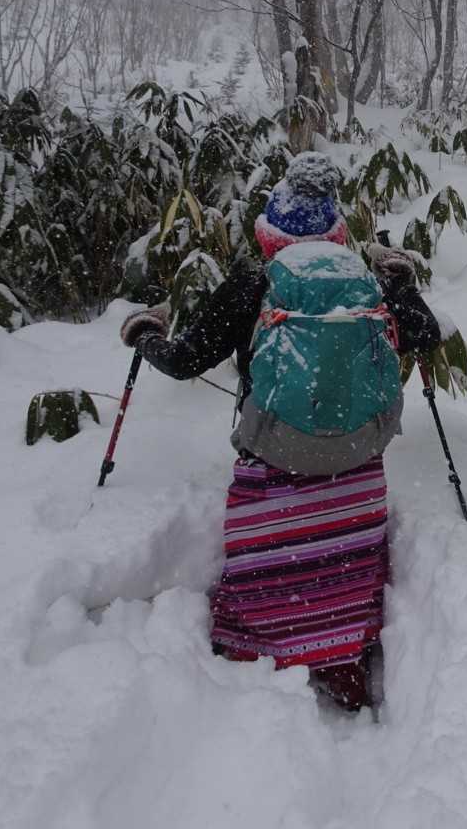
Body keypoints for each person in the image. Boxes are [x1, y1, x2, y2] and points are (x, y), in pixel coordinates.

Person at [118, 152, 440, 713]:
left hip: (274, 460)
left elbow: (183, 361)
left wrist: (144, 334)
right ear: (337, 232)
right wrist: (401, 283)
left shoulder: (252, 285)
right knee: (345, 561)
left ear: (268, 235)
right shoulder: (365, 284)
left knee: (267, 566)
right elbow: (426, 332)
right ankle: (342, 653)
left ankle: (258, 647)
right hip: (358, 468)